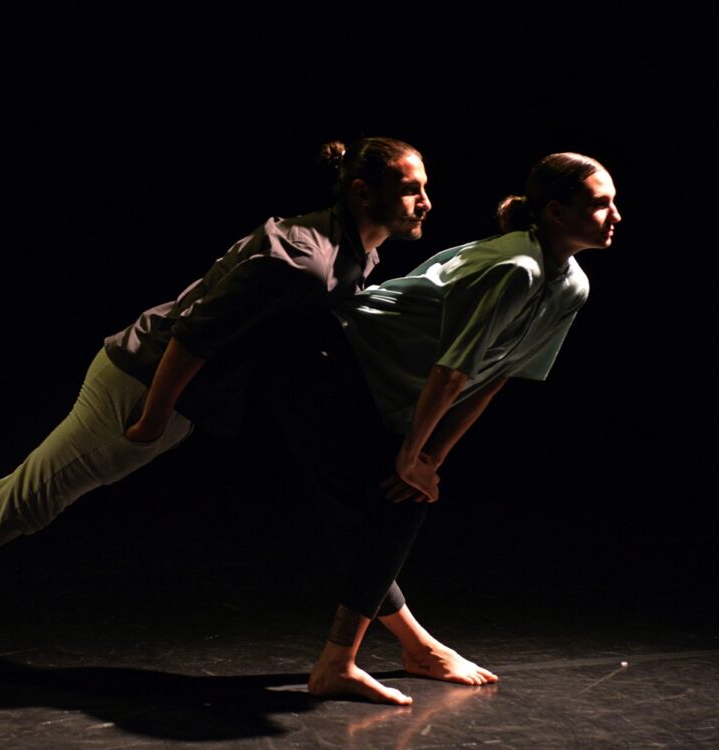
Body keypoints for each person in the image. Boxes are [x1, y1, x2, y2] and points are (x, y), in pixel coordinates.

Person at [0, 136, 432, 670]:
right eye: (411, 189)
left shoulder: (350, 251)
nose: (425, 203)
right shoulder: (308, 261)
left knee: (31, 497)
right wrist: (153, 417)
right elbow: (193, 335)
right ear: (363, 192)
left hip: (165, 393)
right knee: (29, 499)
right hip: (140, 385)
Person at [264, 152, 622, 704]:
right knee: (395, 505)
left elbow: (494, 376)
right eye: (600, 204)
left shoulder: (571, 284)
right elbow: (451, 371)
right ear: (555, 211)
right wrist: (413, 454)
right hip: (323, 360)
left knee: (393, 504)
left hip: (369, 382)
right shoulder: (517, 267)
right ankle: (345, 663)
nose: (615, 216)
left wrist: (430, 458)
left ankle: (407, 650)